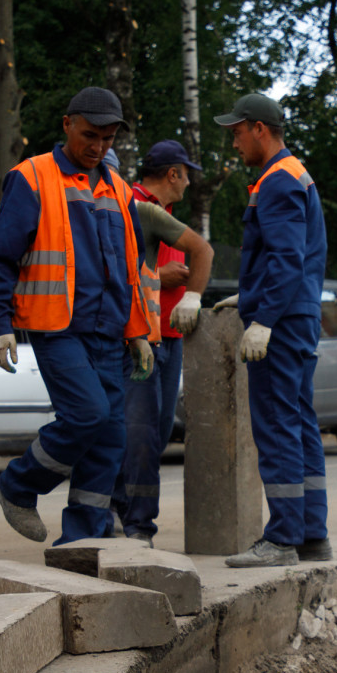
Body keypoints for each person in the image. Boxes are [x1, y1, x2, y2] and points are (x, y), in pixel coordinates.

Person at [0, 86, 159, 545]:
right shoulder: (32, 177)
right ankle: (16, 485)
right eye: (90, 135)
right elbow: (2, 258)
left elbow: (129, 268)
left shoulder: (118, 188)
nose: (98, 146)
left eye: (109, 138)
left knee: (110, 438)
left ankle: (83, 543)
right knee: (88, 416)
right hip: (56, 327)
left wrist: (138, 330)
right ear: (67, 125)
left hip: (110, 330)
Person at [211, 92, 330, 568]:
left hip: (280, 323)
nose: (234, 143)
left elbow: (286, 257)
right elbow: (290, 256)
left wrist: (262, 319)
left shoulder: (276, 180)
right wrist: (252, 292)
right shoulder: (293, 174)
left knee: (278, 425)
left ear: (259, 128)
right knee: (299, 423)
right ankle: (311, 535)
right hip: (296, 316)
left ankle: (282, 538)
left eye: (237, 132)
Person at [116, 139, 215, 548]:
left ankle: (131, 518)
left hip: (168, 337)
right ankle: (135, 524)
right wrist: (166, 277)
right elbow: (126, 269)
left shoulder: (167, 216)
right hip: (141, 339)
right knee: (138, 435)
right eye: (186, 174)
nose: (189, 182)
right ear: (173, 173)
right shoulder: (133, 206)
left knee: (152, 433)